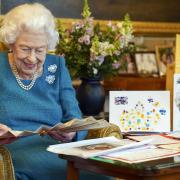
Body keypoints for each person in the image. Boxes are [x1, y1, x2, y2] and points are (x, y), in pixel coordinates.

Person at [0, 3, 113, 180]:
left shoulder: (57, 66)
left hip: (60, 148)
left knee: (103, 174)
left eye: (40, 50)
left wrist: (72, 132)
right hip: (14, 151)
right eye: (25, 48)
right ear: (11, 43)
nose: (32, 58)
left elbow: (74, 116)